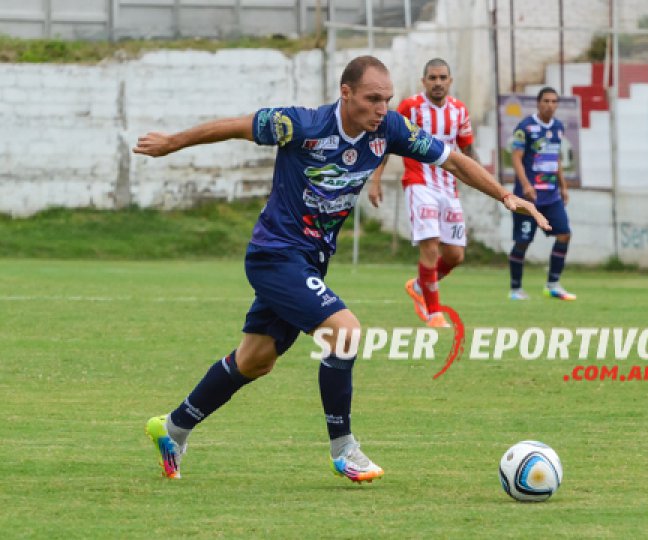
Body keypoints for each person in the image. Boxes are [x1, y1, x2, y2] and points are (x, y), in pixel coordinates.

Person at [133, 55, 549, 482]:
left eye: (387, 99)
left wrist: (505, 196)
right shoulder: (301, 124)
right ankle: (343, 449)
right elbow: (235, 125)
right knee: (345, 330)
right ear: (346, 93)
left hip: (310, 262)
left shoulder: (390, 130)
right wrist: (172, 143)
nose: (382, 109)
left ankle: (172, 428)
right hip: (275, 254)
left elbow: (454, 160)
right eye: (372, 99)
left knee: (255, 361)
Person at [367, 58, 480, 328]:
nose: (438, 82)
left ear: (450, 81)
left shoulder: (460, 111)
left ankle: (419, 286)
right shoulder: (411, 107)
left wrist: (485, 181)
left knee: (455, 256)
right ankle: (434, 313)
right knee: (430, 245)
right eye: (433, 78)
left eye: (443, 77)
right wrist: (376, 179)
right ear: (424, 81)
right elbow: (387, 143)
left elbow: (467, 150)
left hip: (448, 187)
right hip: (419, 184)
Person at [508, 87, 575, 301]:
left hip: (551, 196)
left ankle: (553, 284)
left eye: (554, 101)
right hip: (528, 199)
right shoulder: (526, 127)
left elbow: (556, 159)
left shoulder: (558, 127)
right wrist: (526, 185)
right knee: (523, 241)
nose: (550, 105)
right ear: (538, 103)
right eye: (546, 100)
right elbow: (516, 158)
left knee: (564, 234)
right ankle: (515, 289)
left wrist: (563, 186)